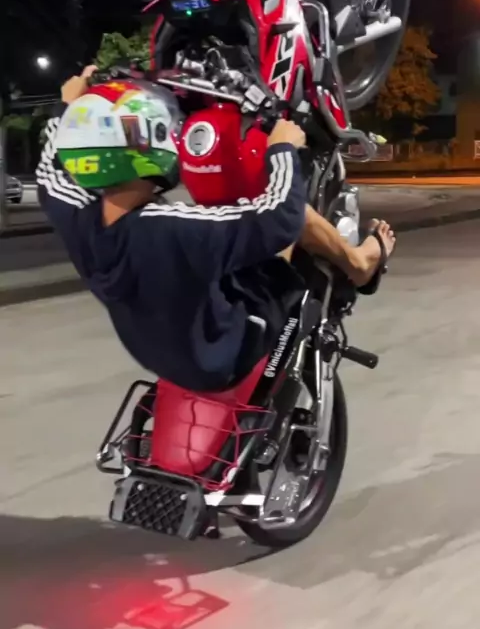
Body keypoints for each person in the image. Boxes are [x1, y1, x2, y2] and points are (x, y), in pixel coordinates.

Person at [36, 66, 395, 391]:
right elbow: (279, 219)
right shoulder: (169, 229)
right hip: (226, 352)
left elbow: (49, 171)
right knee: (296, 212)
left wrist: (69, 108)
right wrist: (283, 149)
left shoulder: (75, 215)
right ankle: (359, 264)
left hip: (161, 353)